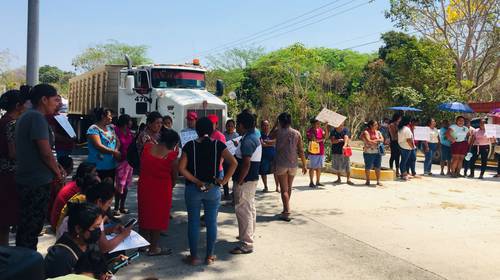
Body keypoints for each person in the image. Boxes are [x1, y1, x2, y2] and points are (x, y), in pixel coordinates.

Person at [179, 117, 237, 265]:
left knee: (193, 222)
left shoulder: (189, 145)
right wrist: (223, 181)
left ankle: (194, 257)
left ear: (196, 130)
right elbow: (234, 163)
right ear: (211, 130)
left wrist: (196, 181)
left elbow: (181, 168)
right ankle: (209, 256)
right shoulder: (218, 145)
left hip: (193, 188)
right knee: (212, 223)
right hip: (213, 188)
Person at [15, 84, 64, 250]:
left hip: (29, 179)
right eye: (55, 99)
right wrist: (57, 173)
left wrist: (56, 166)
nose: (57, 103)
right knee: (31, 227)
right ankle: (26, 264)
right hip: (35, 182)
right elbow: (45, 152)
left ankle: (25, 262)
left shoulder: (28, 116)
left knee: (28, 227)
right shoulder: (36, 117)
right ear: (44, 99)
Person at [57, 181, 132, 253]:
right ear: (99, 201)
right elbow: (104, 247)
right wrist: (123, 235)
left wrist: (109, 229)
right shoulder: (94, 216)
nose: (109, 206)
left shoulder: (80, 208)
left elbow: (88, 232)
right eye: (109, 203)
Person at [137, 129, 180, 256]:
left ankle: (142, 244)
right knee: (158, 217)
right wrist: (171, 186)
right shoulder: (172, 156)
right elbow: (174, 177)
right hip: (162, 188)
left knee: (145, 213)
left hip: (145, 185)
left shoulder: (147, 148)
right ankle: (154, 247)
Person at [229, 111, 261, 254]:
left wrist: (240, 180)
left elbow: (246, 164)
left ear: (241, 125)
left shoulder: (248, 140)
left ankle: (246, 243)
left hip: (246, 181)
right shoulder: (253, 136)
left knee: (243, 210)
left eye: (237, 125)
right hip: (251, 179)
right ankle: (248, 235)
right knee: (249, 208)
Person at [44, 202, 103, 278]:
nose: (99, 231)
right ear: (78, 229)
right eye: (95, 227)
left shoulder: (89, 243)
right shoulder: (60, 258)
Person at [0, 90, 26, 246]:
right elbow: (13, 153)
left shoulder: (3, 120)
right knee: (6, 218)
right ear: (18, 106)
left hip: (4, 174)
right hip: (9, 175)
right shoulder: (12, 124)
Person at [271, 112, 307, 222]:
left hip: (282, 163)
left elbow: (269, 135)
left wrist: (274, 125)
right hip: (293, 164)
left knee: (284, 189)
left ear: (280, 121)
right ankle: (285, 207)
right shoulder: (297, 133)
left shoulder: (278, 132)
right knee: (289, 187)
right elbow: (301, 150)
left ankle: (286, 211)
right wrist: (304, 165)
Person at [51, 162, 100, 230]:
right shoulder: (79, 190)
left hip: (60, 221)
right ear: (87, 175)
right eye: (94, 172)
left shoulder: (77, 184)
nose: (97, 174)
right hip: (59, 225)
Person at [87, 108, 120, 184]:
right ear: (102, 116)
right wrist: (114, 152)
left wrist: (116, 150)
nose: (111, 117)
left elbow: (117, 141)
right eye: (109, 115)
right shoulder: (93, 129)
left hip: (111, 165)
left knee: (109, 190)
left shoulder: (110, 128)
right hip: (98, 166)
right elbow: (98, 146)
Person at [113, 114, 134, 215]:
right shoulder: (116, 131)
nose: (131, 122)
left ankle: (122, 206)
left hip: (128, 161)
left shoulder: (129, 132)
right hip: (120, 161)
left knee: (126, 186)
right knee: (119, 185)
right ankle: (116, 207)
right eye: (129, 120)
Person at [361, 120, 384, 186]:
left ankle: (378, 180)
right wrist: (378, 140)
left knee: (378, 166)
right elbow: (368, 141)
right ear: (371, 125)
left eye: (377, 124)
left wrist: (374, 141)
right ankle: (368, 180)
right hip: (368, 152)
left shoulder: (378, 132)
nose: (377, 126)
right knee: (368, 166)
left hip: (377, 152)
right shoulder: (366, 132)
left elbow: (382, 140)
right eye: (375, 124)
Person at [306, 118, 327, 188]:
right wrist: (322, 139)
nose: (318, 124)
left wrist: (326, 127)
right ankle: (311, 182)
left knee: (319, 167)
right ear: (313, 124)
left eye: (319, 123)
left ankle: (318, 181)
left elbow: (326, 136)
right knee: (312, 167)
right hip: (313, 152)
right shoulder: (309, 131)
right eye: (317, 123)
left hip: (320, 151)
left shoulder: (320, 130)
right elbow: (314, 140)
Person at [259, 120, 279, 192]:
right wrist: (272, 143)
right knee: (263, 172)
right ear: (261, 126)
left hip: (273, 156)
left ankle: (277, 187)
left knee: (276, 172)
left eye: (267, 125)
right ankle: (265, 187)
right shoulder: (259, 134)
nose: (266, 127)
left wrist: (268, 143)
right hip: (264, 156)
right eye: (264, 125)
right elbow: (262, 144)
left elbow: (276, 141)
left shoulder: (271, 134)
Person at [222, 119, 240, 199]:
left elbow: (240, 147)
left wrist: (237, 145)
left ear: (234, 127)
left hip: (234, 159)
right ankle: (226, 194)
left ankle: (234, 193)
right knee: (225, 176)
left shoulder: (237, 136)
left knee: (234, 177)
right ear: (226, 126)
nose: (230, 128)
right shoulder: (223, 135)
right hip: (225, 160)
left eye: (232, 126)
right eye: (228, 126)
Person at [398, 116, 415, 181]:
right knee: (404, 161)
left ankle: (404, 173)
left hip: (402, 146)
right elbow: (409, 140)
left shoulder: (400, 128)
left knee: (403, 161)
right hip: (406, 147)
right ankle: (404, 174)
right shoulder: (407, 129)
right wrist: (412, 147)